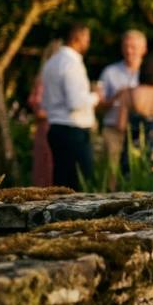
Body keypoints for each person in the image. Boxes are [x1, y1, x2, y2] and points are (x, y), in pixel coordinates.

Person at [41, 23, 102, 190]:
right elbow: (75, 102)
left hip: (56, 128)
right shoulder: (71, 63)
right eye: (87, 39)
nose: (88, 43)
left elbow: (45, 102)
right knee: (80, 185)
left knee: (61, 184)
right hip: (73, 132)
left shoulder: (51, 62)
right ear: (78, 38)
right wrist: (95, 96)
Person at [97, 30, 146, 184]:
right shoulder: (109, 72)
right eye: (126, 46)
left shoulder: (150, 72)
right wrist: (117, 97)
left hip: (141, 132)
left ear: (144, 49)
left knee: (138, 175)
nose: (129, 51)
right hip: (113, 131)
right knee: (111, 176)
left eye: (133, 47)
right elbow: (99, 106)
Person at [28, 40, 63, 187]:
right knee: (46, 164)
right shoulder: (43, 79)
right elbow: (35, 104)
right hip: (47, 127)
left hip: (55, 125)